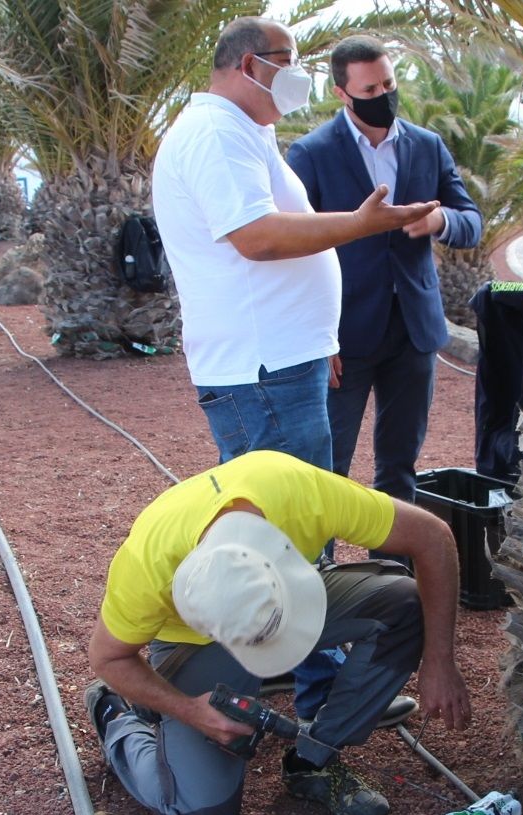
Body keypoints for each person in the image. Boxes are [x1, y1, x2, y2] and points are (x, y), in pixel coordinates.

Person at [150, 17, 438, 723]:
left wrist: (321, 332)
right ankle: (314, 701)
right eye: (288, 62)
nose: (298, 74)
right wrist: (361, 223)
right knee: (284, 541)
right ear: (248, 64)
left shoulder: (242, 131)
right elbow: (257, 237)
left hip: (282, 359)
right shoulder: (215, 134)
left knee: (280, 536)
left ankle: (295, 685)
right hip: (263, 371)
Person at [84, 450, 472, 815]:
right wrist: (191, 711)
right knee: (199, 809)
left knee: (403, 603)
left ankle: (312, 759)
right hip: (195, 644)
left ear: (278, 558)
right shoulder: (146, 568)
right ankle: (115, 715)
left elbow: (433, 536)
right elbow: (106, 657)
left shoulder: (295, 490)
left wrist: (439, 659)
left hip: (288, 598)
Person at [287, 35, 483, 535]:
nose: (384, 95)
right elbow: (296, 251)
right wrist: (317, 336)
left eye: (389, 83)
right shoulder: (310, 154)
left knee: (400, 466)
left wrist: (439, 224)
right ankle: (321, 573)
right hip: (344, 338)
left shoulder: (426, 145)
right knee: (328, 467)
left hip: (414, 333)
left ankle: (390, 571)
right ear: (341, 93)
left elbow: (471, 219)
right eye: (370, 87)